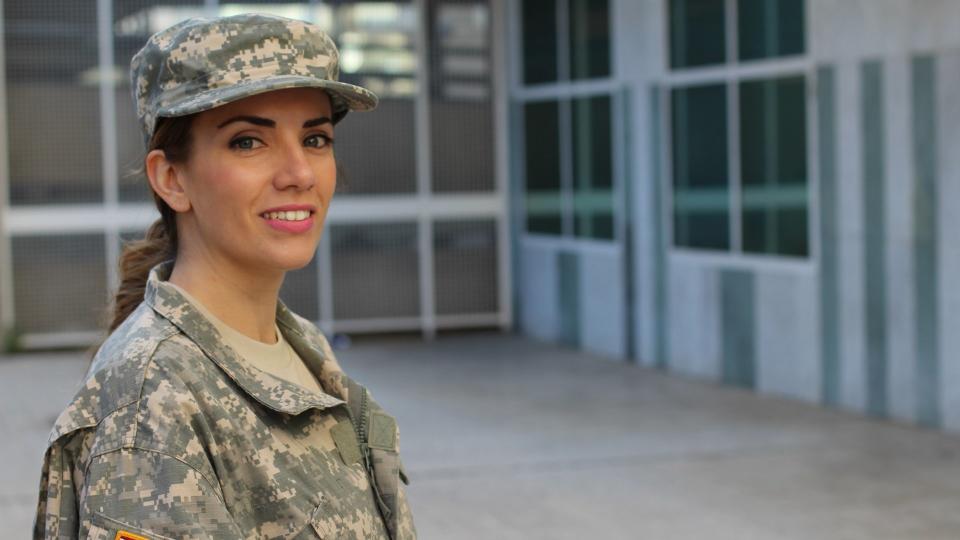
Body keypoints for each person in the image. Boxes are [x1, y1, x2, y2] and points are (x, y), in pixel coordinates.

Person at [33, 13, 416, 539]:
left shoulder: (305, 346)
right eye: (247, 142)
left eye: (316, 139)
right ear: (172, 179)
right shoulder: (156, 401)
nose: (299, 173)